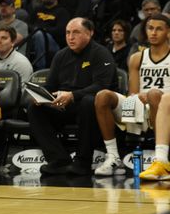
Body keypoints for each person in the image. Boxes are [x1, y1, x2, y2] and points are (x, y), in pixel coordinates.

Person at [28, 18, 117, 175]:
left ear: (90, 33)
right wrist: (42, 97)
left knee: (88, 102)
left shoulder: (101, 53)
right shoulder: (61, 55)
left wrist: (73, 95)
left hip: (94, 109)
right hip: (64, 105)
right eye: (68, 32)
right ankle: (59, 160)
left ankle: (83, 162)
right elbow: (50, 86)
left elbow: (102, 86)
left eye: (76, 32)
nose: (70, 37)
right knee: (35, 108)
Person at [93, 14, 170, 177]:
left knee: (156, 94)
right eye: (150, 28)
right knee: (103, 96)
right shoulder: (137, 58)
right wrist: (139, 97)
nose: (153, 33)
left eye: (159, 29)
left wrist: (150, 95)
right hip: (141, 104)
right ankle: (113, 156)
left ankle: (161, 159)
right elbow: (133, 92)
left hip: (165, 107)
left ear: (168, 33)